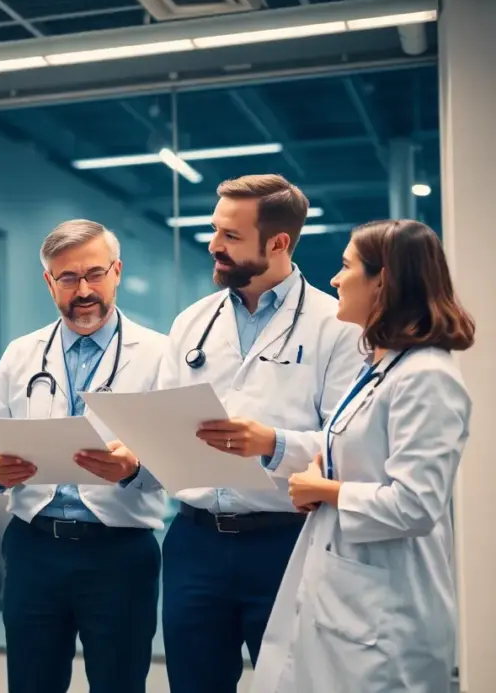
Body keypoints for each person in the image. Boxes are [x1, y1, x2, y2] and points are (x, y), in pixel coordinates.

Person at [146, 175, 366, 693]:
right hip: (195, 542)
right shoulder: (192, 322)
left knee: (292, 683)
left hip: (286, 541)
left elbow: (346, 446)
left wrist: (273, 443)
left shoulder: (336, 326)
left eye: (230, 236)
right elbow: (164, 418)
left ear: (278, 243)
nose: (213, 245)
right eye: (215, 230)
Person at [252, 219, 474, 693]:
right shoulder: (381, 367)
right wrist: (297, 460)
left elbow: (415, 505)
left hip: (386, 613)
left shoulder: (427, 377)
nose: (335, 279)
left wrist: (327, 490)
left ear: (382, 281)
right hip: (346, 594)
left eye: (347, 266)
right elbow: (353, 449)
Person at [0, 219, 167, 693]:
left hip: (119, 552)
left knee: (119, 684)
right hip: (33, 548)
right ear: (49, 282)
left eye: (94, 274)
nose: (83, 291)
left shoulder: (160, 354)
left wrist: (136, 467)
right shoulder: (21, 354)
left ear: (117, 272)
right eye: (68, 278)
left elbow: (182, 455)